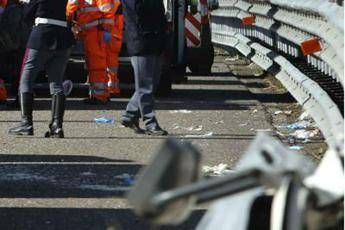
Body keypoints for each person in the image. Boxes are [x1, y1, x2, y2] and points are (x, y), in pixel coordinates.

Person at [8, 0, 75, 138]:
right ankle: (57, 126)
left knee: (26, 80)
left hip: (42, 35)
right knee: (56, 82)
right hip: (63, 36)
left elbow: (26, 15)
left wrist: (25, 4)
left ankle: (26, 123)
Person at [120, 0, 168, 135]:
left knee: (152, 83)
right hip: (140, 41)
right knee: (145, 86)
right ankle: (150, 122)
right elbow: (140, 13)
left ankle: (130, 115)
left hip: (155, 42)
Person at [66, 0, 115, 105]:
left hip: (96, 32)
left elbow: (108, 11)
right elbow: (70, 11)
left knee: (97, 65)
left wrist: (106, 30)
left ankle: (100, 96)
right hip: (89, 32)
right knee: (93, 64)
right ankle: (98, 94)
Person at [107, 0, 123, 96]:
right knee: (112, 63)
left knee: (106, 62)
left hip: (110, 34)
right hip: (115, 35)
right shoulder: (117, 2)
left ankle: (110, 87)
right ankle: (112, 86)